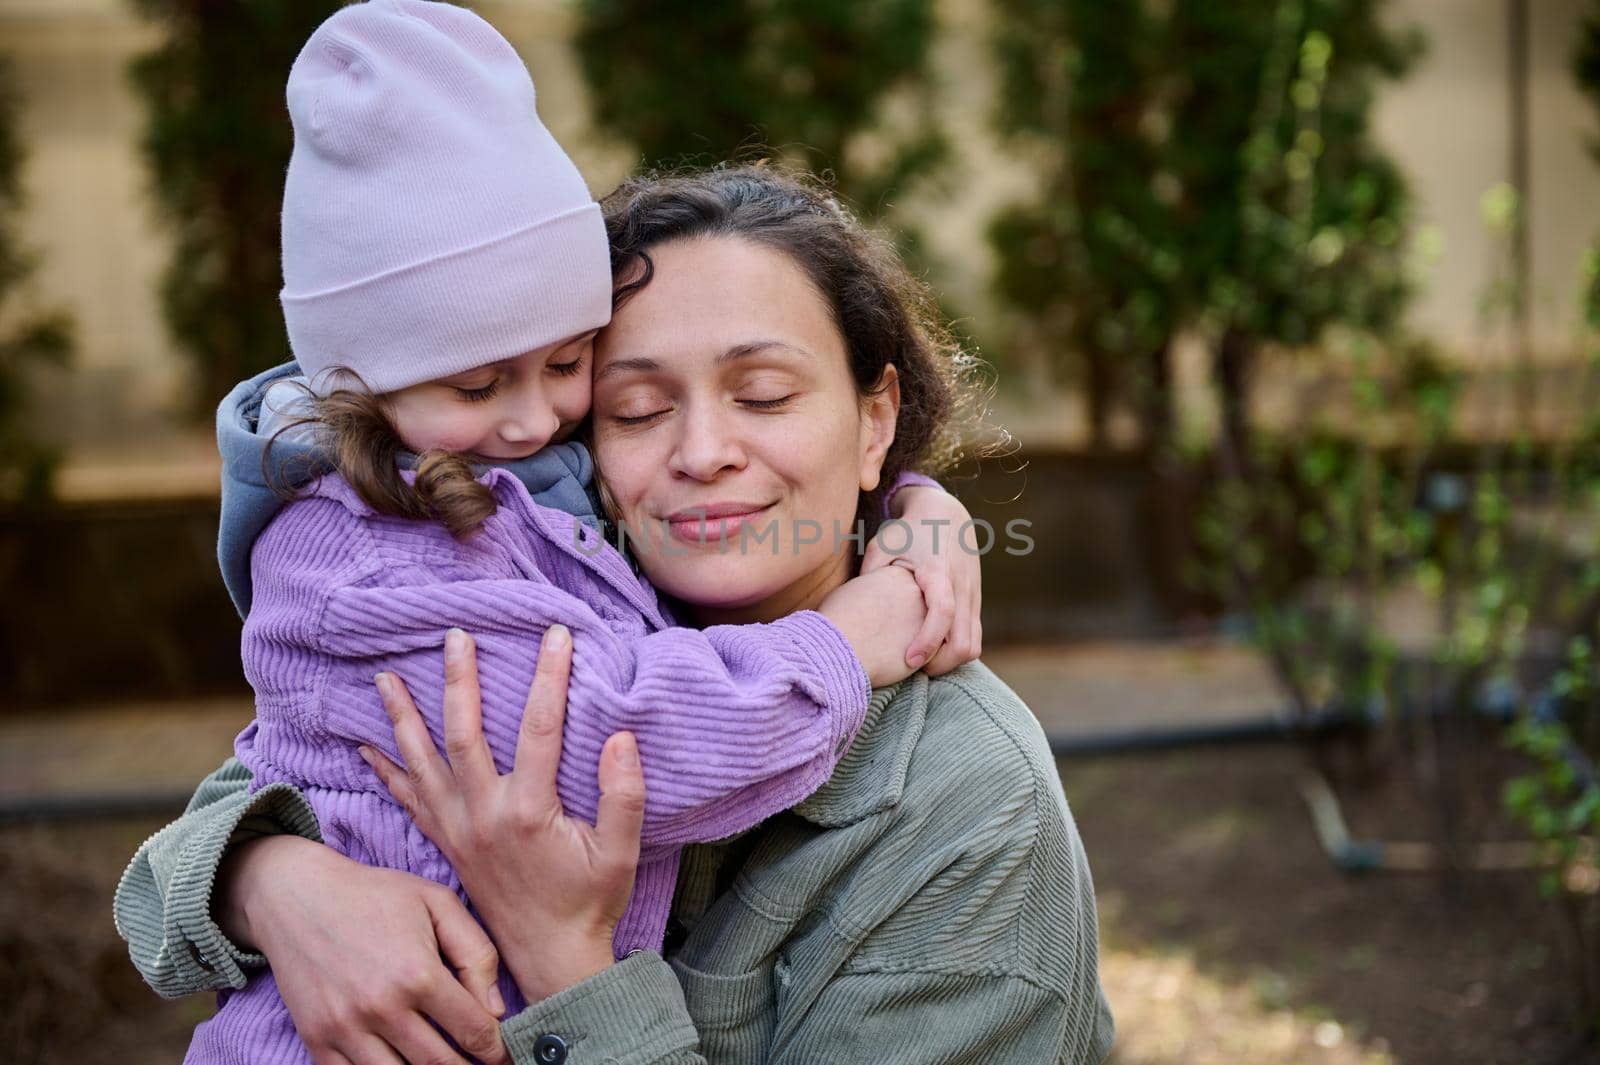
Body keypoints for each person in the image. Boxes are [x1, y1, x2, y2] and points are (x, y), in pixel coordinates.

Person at [116, 164, 1113, 1064]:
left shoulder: (974, 814)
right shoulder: (538, 622)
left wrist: (568, 967)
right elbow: (182, 864)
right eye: (632, 411)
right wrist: (273, 883)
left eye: (763, 395)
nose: (701, 450)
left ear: (874, 420)